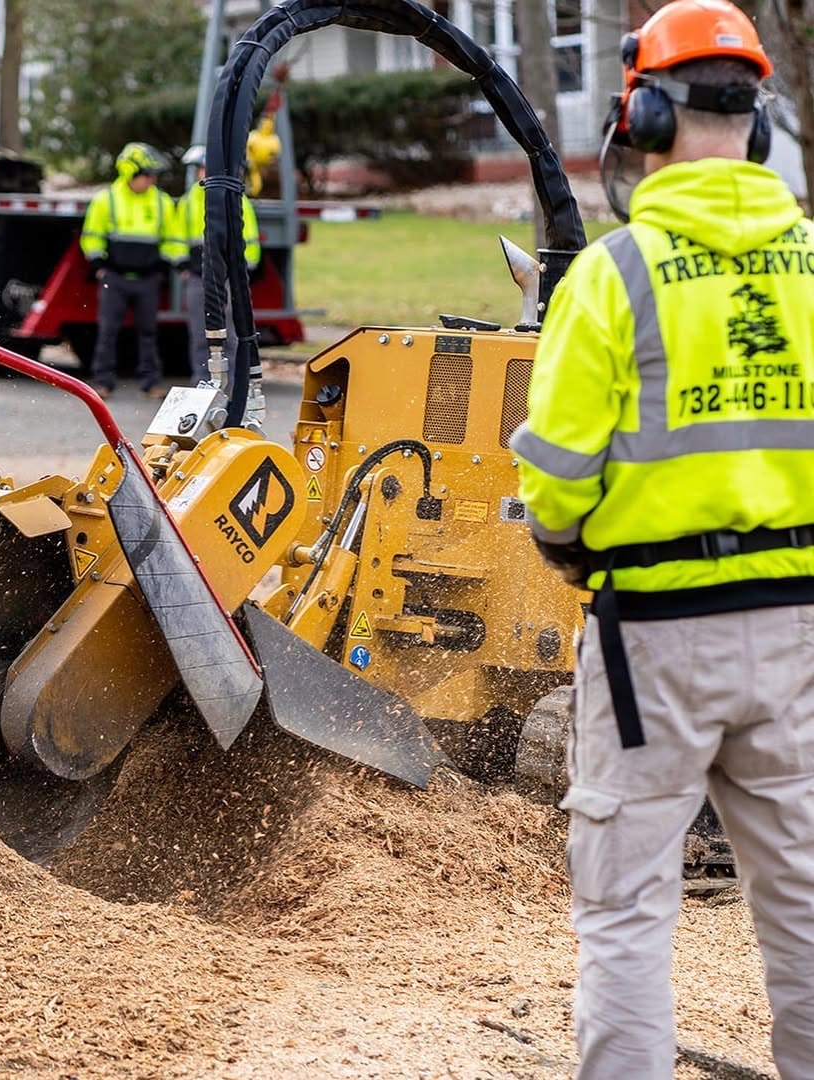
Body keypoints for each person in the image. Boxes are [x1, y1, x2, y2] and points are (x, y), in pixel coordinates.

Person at [510, 2, 814, 1076]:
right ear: (760, 121)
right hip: (799, 637)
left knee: (630, 911)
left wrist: (566, 543)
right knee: (807, 907)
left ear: (640, 113)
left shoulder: (615, 275)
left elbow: (553, 477)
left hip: (650, 641)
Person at [80, 142, 178, 399]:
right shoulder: (106, 200)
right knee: (108, 331)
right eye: (147, 174)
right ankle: (103, 383)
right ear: (130, 173)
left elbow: (173, 238)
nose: (151, 180)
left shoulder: (161, 201)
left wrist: (163, 267)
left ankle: (151, 383)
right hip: (115, 277)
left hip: (147, 279)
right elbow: (91, 237)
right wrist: (100, 266)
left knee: (149, 332)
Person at [176, 143, 261, 385]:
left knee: (232, 336)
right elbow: (176, 238)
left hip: (227, 279)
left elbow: (250, 238)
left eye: (204, 168)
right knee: (199, 335)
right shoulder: (188, 201)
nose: (202, 173)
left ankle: (233, 384)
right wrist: (182, 265)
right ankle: (202, 383)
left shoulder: (236, 198)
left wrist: (246, 270)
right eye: (199, 169)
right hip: (197, 276)